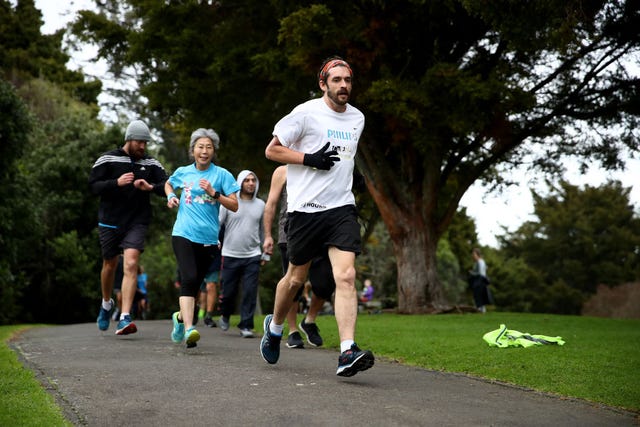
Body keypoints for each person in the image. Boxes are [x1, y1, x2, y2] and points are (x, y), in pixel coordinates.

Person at [260, 56, 375, 377]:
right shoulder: (305, 113)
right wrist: (308, 158)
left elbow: (346, 160)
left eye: (348, 80)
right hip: (304, 211)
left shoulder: (357, 118)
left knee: (347, 276)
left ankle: (347, 350)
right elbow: (272, 151)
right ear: (323, 83)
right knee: (295, 280)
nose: (344, 86)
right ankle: (276, 326)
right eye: (337, 80)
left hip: (341, 209)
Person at [90, 119, 168, 335]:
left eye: (146, 142)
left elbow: (168, 186)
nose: (143, 146)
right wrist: (116, 183)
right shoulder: (107, 159)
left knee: (132, 263)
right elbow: (93, 186)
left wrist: (151, 186)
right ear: (129, 139)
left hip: (137, 221)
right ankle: (106, 304)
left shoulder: (151, 164)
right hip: (110, 221)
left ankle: (125, 317)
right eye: (139, 142)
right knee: (109, 264)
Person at [165, 128, 239, 348]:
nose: (204, 151)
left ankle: (179, 319)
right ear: (193, 150)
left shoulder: (222, 175)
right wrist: (170, 196)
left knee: (195, 285)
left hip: (208, 239)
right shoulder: (183, 172)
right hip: (183, 233)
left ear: (213, 151)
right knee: (188, 278)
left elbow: (234, 205)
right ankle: (189, 329)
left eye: (208, 147)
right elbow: (168, 183)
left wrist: (215, 193)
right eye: (200, 147)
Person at [262, 165, 333, 349]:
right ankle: (293, 330)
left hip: (321, 232)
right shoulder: (282, 171)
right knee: (294, 283)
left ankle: (309, 321)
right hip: (291, 232)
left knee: (326, 282)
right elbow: (270, 204)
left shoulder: (321, 166)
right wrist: (268, 235)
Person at [218, 170, 266, 338]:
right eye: (247, 180)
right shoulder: (229, 202)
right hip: (230, 253)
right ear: (240, 183)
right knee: (228, 292)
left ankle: (246, 325)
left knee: (250, 291)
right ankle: (224, 314)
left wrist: (265, 254)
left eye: (253, 180)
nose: (251, 183)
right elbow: (218, 224)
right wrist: (215, 240)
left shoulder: (261, 205)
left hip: (252, 255)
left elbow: (263, 230)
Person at [468, 248, 491, 313]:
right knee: (479, 295)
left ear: (477, 254)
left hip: (480, 280)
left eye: (474, 254)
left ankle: (480, 309)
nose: (473, 255)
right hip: (479, 280)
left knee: (479, 295)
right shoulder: (479, 262)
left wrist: (471, 273)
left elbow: (480, 273)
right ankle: (480, 309)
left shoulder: (480, 261)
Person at [202, 252, 222, 327]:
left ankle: (208, 316)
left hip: (213, 258)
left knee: (211, 286)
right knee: (195, 289)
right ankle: (193, 311)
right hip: (197, 258)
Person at [111, 254, 124, 321]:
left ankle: (122, 314)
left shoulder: (127, 257)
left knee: (123, 299)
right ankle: (119, 311)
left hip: (125, 282)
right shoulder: (116, 257)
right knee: (119, 298)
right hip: (117, 282)